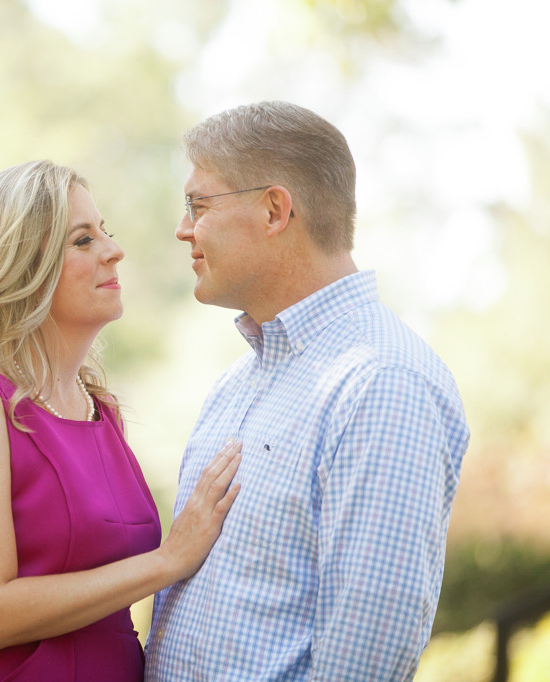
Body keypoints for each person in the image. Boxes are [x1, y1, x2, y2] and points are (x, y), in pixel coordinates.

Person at [144, 101, 471, 681]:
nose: (183, 229)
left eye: (198, 205)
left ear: (274, 210)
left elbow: (365, 657)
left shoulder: (382, 383)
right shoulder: (235, 385)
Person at [0, 159, 242, 682]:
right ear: (18, 269)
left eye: (105, 231)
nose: (114, 250)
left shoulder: (101, 410)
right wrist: (167, 561)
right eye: (82, 240)